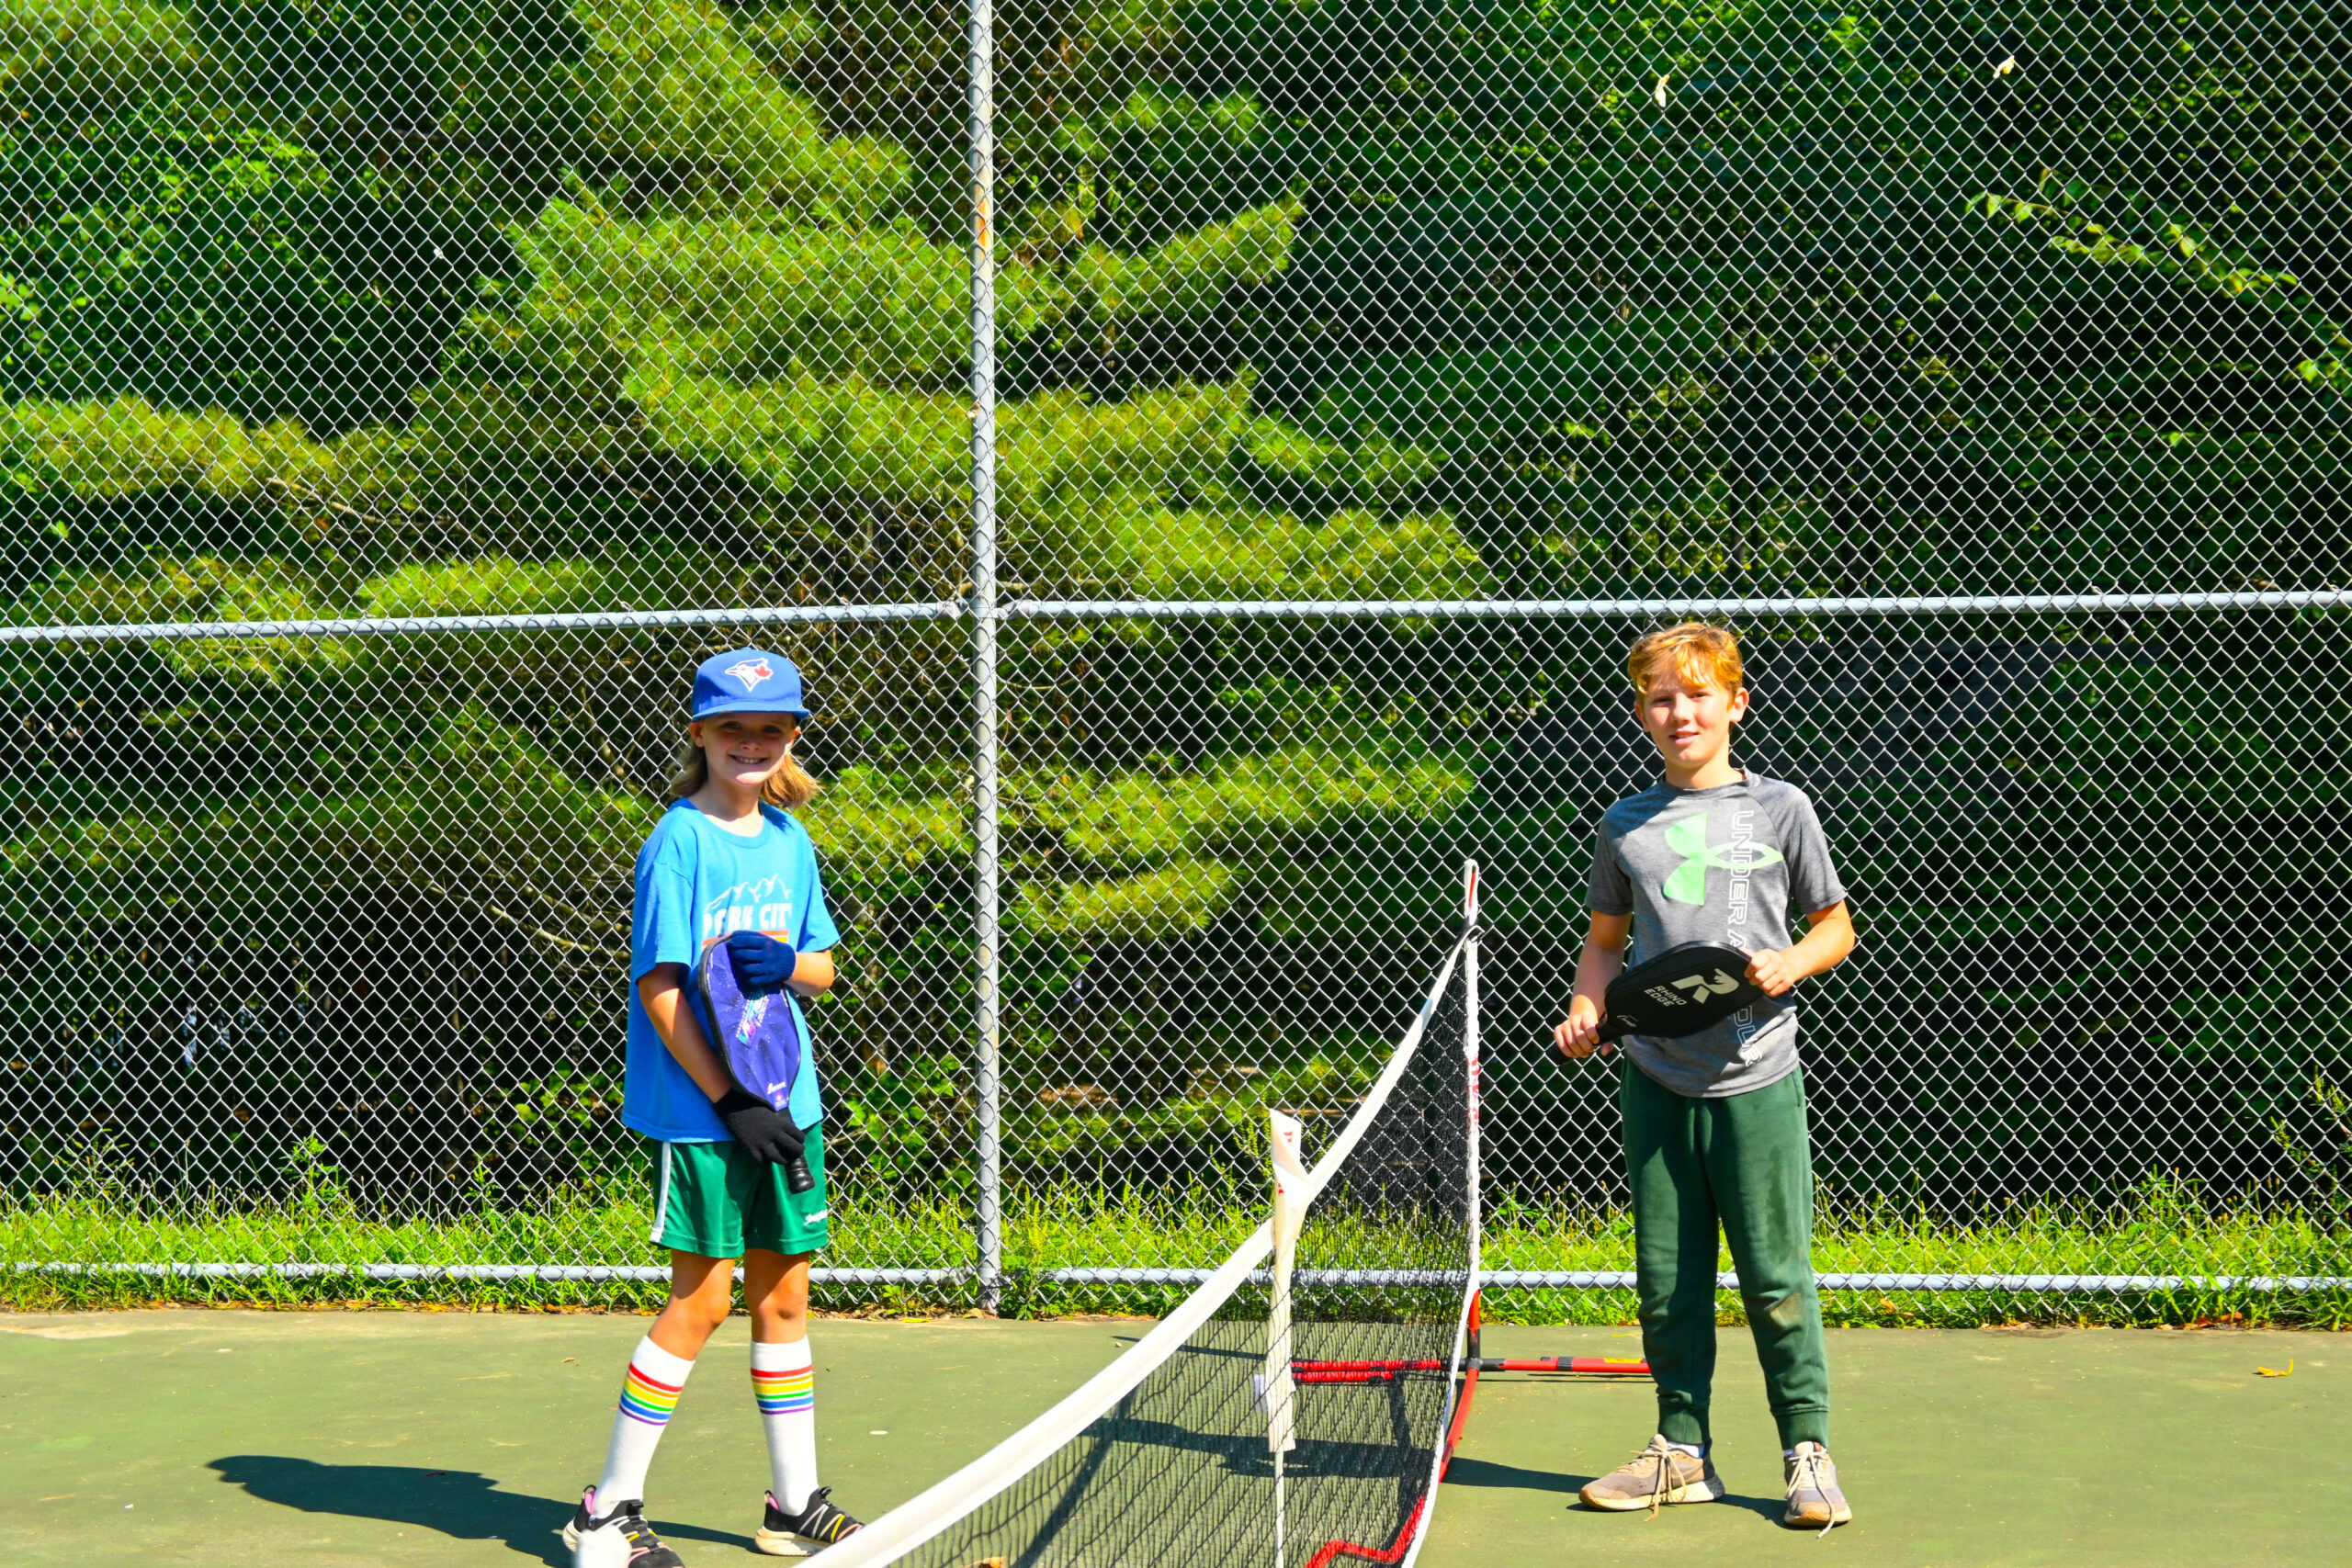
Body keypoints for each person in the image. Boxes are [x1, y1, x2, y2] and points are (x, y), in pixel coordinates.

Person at [1551, 621, 1857, 1530]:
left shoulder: (1783, 808)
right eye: (1661, 698)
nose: (1679, 712)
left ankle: (1807, 1452)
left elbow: (1835, 927)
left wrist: (1791, 962)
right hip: (1654, 1080)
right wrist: (1586, 1008)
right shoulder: (1624, 825)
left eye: (1697, 694)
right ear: (1641, 713)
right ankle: (1681, 1452)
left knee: (1775, 1277)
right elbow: (1604, 945)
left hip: (1758, 1078)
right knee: (1666, 1280)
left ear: (1735, 703)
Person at [568, 649, 866, 1566]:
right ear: (698, 732)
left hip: (789, 1104)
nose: (751, 742)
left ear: (792, 738)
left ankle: (794, 1505)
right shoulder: (679, 841)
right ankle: (605, 1512)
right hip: (706, 1113)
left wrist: (790, 966)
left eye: (770, 728)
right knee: (699, 1301)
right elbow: (659, 988)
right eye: (733, 727)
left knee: (786, 1298)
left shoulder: (790, 840)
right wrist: (730, 1098)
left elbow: (823, 966)